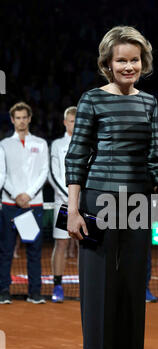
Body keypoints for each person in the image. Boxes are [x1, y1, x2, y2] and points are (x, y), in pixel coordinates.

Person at [65, 26, 158, 349]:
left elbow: (156, 161)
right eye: (121, 60)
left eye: (134, 60)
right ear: (108, 63)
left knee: (130, 297)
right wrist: (73, 210)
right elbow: (77, 157)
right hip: (97, 202)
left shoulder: (150, 103)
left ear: (143, 63)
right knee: (97, 299)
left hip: (138, 205)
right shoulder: (91, 100)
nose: (128, 66)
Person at [0, 102, 49, 305]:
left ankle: (34, 293)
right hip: (10, 205)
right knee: (5, 250)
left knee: (34, 251)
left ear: (29, 119)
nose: (21, 121)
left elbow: (43, 172)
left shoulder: (41, 143)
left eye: (24, 117)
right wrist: (16, 195)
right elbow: (1, 174)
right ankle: (3, 291)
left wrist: (27, 195)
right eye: (17, 117)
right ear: (12, 120)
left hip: (32, 205)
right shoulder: (4, 144)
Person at [48, 106, 77, 303]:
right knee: (61, 243)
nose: (74, 125)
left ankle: (89, 286)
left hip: (85, 203)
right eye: (71, 121)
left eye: (78, 121)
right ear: (65, 122)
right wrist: (70, 196)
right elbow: (54, 174)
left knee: (87, 244)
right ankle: (57, 286)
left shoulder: (91, 143)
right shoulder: (57, 145)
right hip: (64, 202)